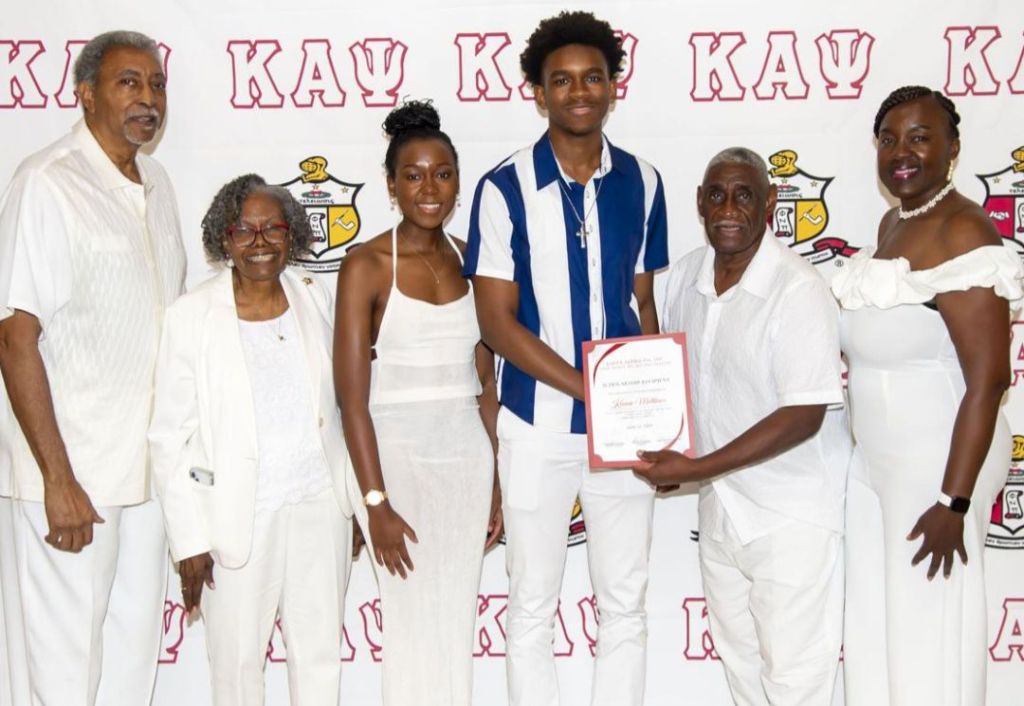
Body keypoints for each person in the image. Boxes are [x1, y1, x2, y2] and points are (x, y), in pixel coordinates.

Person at [463, 11, 668, 706]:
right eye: (562, 80)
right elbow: (495, 323)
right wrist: (589, 389)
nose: (579, 92)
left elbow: (644, 303)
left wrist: (654, 414)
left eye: (593, 78)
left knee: (625, 604)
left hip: (623, 428)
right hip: (534, 422)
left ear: (613, 86)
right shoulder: (503, 187)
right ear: (538, 92)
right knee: (531, 604)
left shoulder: (645, 181)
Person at [0, 30, 184, 706]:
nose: (147, 98)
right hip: (71, 479)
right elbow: (14, 337)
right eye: (128, 82)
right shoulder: (47, 182)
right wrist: (57, 478)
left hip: (146, 478)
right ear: (84, 94)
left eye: (156, 85)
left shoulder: (158, 184)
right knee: (62, 675)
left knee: (130, 670)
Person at [831, 86, 1023, 706]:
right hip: (877, 464)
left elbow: (989, 379)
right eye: (889, 139)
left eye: (919, 137)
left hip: (940, 466)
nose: (901, 153)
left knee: (929, 631)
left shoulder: (965, 230)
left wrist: (953, 502)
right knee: (877, 625)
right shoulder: (894, 223)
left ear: (953, 147)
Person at [635, 148, 848, 705]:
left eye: (744, 195)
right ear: (699, 203)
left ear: (770, 202)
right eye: (717, 195)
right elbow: (666, 370)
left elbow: (803, 414)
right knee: (743, 672)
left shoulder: (798, 288)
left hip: (788, 516)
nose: (729, 209)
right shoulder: (687, 275)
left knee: (796, 680)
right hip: (722, 511)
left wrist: (695, 468)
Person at [149, 174, 352, 706]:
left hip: (319, 505)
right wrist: (189, 542)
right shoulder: (192, 315)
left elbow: (339, 406)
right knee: (237, 667)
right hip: (236, 517)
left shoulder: (314, 293)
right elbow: (169, 437)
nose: (260, 242)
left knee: (319, 656)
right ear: (225, 239)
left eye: (272, 229)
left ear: (292, 233)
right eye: (244, 231)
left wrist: (351, 499)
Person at [334, 100, 502, 706]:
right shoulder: (365, 265)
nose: (429, 189)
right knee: (408, 622)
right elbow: (351, 400)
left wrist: (497, 481)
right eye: (413, 175)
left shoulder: (473, 260)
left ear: (458, 181)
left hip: (466, 460)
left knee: (454, 620)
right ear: (391, 185)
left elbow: (485, 382)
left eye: (442, 174)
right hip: (394, 460)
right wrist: (374, 502)